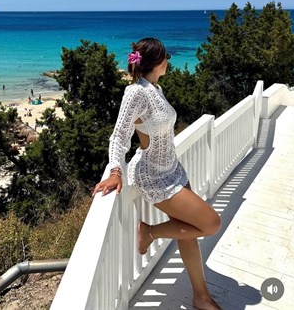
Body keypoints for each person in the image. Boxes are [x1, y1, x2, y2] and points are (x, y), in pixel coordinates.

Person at [93, 37, 222, 310]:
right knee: (211, 223)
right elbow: (119, 136)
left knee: (189, 232)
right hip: (153, 175)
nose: (169, 62)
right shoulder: (136, 92)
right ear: (159, 62)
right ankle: (149, 232)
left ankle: (201, 296)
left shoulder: (155, 88)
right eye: (167, 58)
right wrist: (116, 171)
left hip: (173, 170)